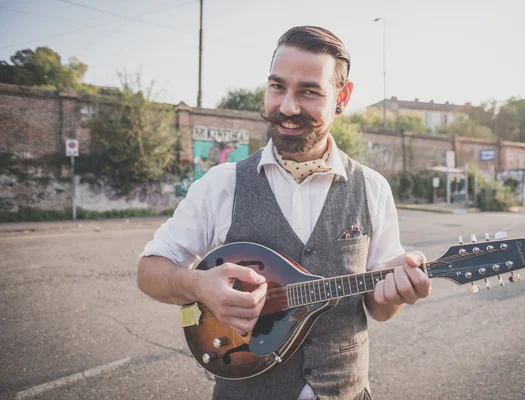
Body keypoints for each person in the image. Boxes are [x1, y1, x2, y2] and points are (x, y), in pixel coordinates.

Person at [137, 26, 431, 400]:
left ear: (342, 96)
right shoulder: (221, 184)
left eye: (308, 91)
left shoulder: (372, 188)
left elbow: (379, 308)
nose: (288, 107)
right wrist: (198, 286)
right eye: (278, 87)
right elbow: (149, 271)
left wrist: (396, 295)